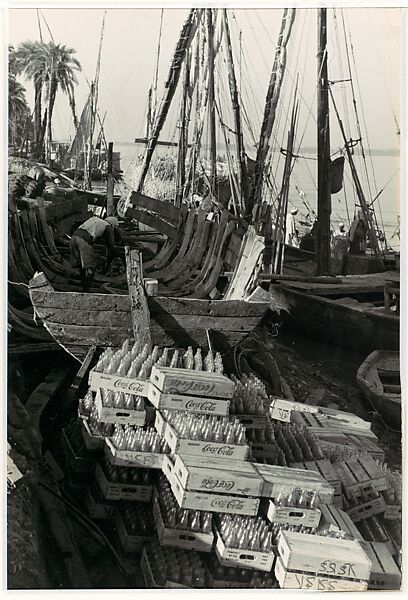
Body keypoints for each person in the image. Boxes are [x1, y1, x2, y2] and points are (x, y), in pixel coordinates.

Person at [70, 216, 119, 292]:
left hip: (74, 237)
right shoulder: (108, 226)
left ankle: (83, 285)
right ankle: (86, 290)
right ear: (112, 225)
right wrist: (108, 263)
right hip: (83, 240)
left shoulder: (95, 220)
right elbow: (111, 247)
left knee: (82, 265)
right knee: (91, 267)